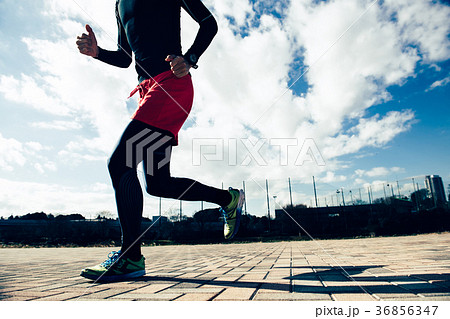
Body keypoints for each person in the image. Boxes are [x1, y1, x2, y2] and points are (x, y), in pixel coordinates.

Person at [76, 0, 244, 282]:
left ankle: (130, 256)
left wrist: (189, 59)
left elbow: (208, 23)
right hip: (148, 91)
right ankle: (227, 199)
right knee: (158, 184)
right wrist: (97, 53)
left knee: (120, 163)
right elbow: (125, 57)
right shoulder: (119, 5)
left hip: (171, 85)